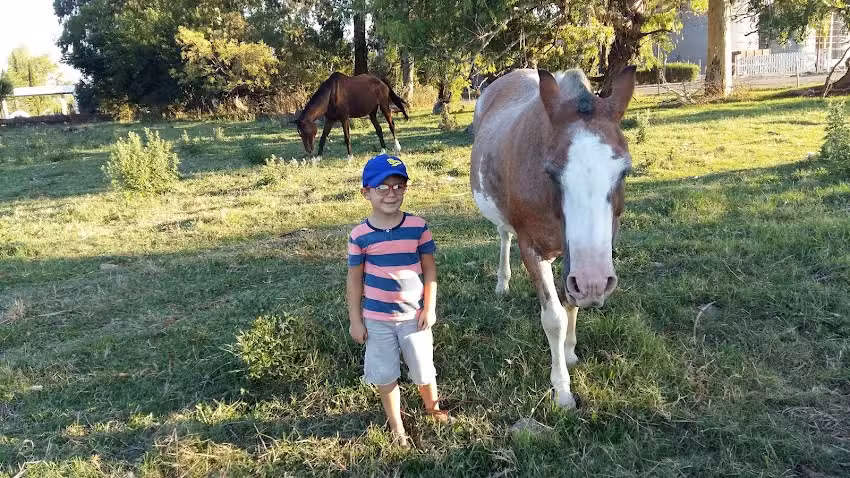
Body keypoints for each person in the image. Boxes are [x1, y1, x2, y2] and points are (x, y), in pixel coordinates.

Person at [346, 154, 449, 447]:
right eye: (382, 187)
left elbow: (429, 269)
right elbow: (354, 279)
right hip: (377, 320)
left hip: (414, 317)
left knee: (423, 368)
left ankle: (433, 408)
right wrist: (356, 319)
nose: (391, 194)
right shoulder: (359, 236)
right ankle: (397, 427)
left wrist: (429, 307)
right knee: (385, 375)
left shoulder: (418, 226)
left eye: (398, 186)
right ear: (365, 192)